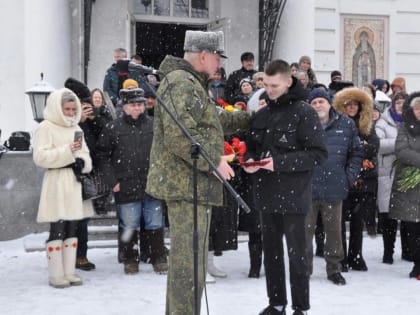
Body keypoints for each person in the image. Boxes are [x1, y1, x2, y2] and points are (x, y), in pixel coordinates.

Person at [145, 30, 249, 315]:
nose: (219, 64)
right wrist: (214, 160)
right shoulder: (181, 82)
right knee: (188, 266)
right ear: (203, 55)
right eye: (217, 57)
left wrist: (254, 117)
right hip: (186, 187)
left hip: (193, 187)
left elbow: (216, 120)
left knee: (192, 265)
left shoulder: (192, 83)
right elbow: (180, 135)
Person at [243, 59, 328, 315]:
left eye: (275, 85)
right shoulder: (262, 114)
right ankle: (276, 303)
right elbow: (253, 146)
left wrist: (277, 163)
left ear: (288, 82)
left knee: (297, 256)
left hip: (294, 195)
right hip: (266, 195)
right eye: (266, 85)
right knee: (272, 254)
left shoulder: (304, 112)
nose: (269, 90)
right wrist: (248, 161)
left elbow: (317, 154)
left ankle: (300, 307)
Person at [96, 88, 168, 275]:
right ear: (124, 107)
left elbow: (165, 153)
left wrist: (162, 177)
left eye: (140, 104)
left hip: (152, 183)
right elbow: (102, 157)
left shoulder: (154, 125)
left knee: (155, 222)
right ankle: (129, 258)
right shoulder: (113, 128)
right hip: (125, 183)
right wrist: (112, 181)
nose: (137, 108)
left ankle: (158, 257)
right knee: (129, 223)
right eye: (133, 105)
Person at [33, 88, 94, 288]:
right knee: (57, 228)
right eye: (66, 109)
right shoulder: (46, 127)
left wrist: (82, 162)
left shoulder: (76, 128)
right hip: (56, 181)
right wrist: (67, 153)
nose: (70, 112)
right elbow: (40, 157)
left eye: (72, 109)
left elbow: (86, 154)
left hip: (74, 182)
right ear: (57, 108)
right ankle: (56, 274)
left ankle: (69, 271)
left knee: (72, 228)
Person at [305, 88, 363, 286]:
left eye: (321, 101)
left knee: (334, 232)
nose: (318, 105)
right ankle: (303, 270)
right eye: (314, 103)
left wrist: (347, 178)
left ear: (330, 103)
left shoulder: (345, 124)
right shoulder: (303, 124)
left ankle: (334, 269)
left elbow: (356, 153)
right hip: (307, 189)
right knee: (304, 233)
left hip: (334, 187)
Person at [64, 79, 113, 272]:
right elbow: (69, 140)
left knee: (82, 217)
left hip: (86, 173)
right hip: (68, 173)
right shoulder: (66, 118)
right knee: (66, 218)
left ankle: (81, 255)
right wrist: (79, 121)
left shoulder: (94, 118)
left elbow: (106, 137)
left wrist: (94, 119)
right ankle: (66, 255)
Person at [333, 87, 379, 272]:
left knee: (358, 220)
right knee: (339, 220)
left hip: (363, 179)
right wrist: (358, 149)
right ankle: (341, 257)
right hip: (342, 177)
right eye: (348, 104)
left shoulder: (366, 124)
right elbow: (338, 149)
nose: (352, 107)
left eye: (355, 104)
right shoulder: (337, 124)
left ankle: (356, 255)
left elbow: (373, 147)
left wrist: (356, 150)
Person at [389, 92, 420, 279]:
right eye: (417, 109)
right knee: (412, 227)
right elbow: (401, 150)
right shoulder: (404, 128)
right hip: (410, 186)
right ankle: (417, 263)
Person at [376, 91, 408, 264]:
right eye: (398, 103)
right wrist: (400, 145)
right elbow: (379, 144)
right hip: (387, 174)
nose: (401, 106)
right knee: (389, 216)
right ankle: (388, 252)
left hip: (408, 174)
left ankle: (408, 251)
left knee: (409, 215)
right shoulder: (384, 121)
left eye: (404, 103)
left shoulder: (414, 122)